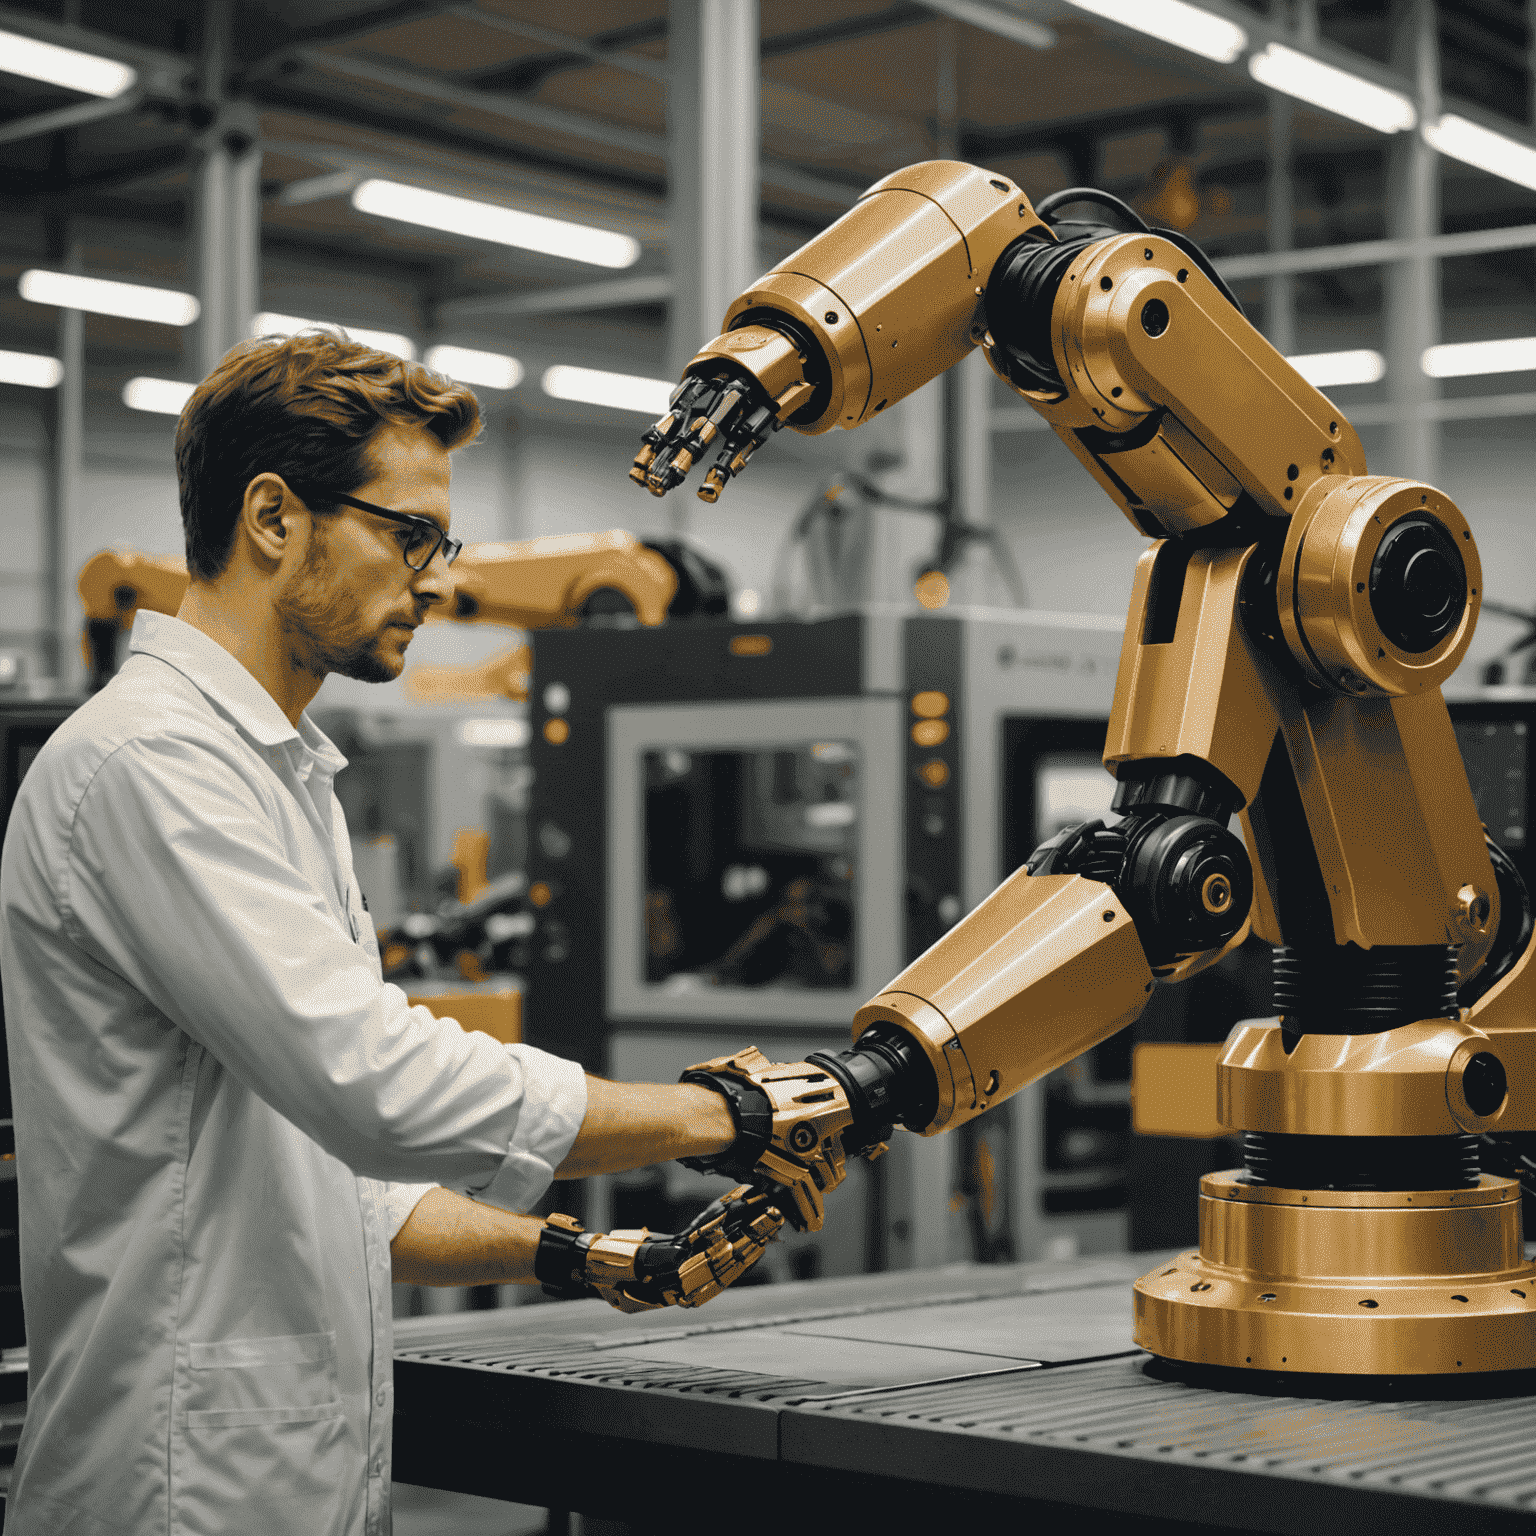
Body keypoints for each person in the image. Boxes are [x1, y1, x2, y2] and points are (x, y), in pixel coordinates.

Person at [0, 331, 741, 1536]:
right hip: (175, 1492)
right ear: (274, 518)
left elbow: (339, 1184)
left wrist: (583, 1256)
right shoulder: (150, 765)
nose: (437, 580)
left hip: (286, 1482)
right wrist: (718, 1116)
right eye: (411, 536)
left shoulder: (283, 776)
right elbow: (377, 1089)